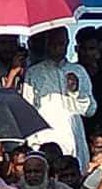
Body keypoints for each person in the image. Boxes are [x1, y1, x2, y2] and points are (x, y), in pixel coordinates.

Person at [23, 27, 95, 167]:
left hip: (74, 138)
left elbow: (89, 110)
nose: (57, 48)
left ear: (67, 43)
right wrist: (33, 143)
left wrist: (75, 90)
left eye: (60, 44)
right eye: (52, 44)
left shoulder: (78, 71)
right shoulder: (34, 73)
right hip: (45, 139)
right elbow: (28, 111)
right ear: (46, 44)